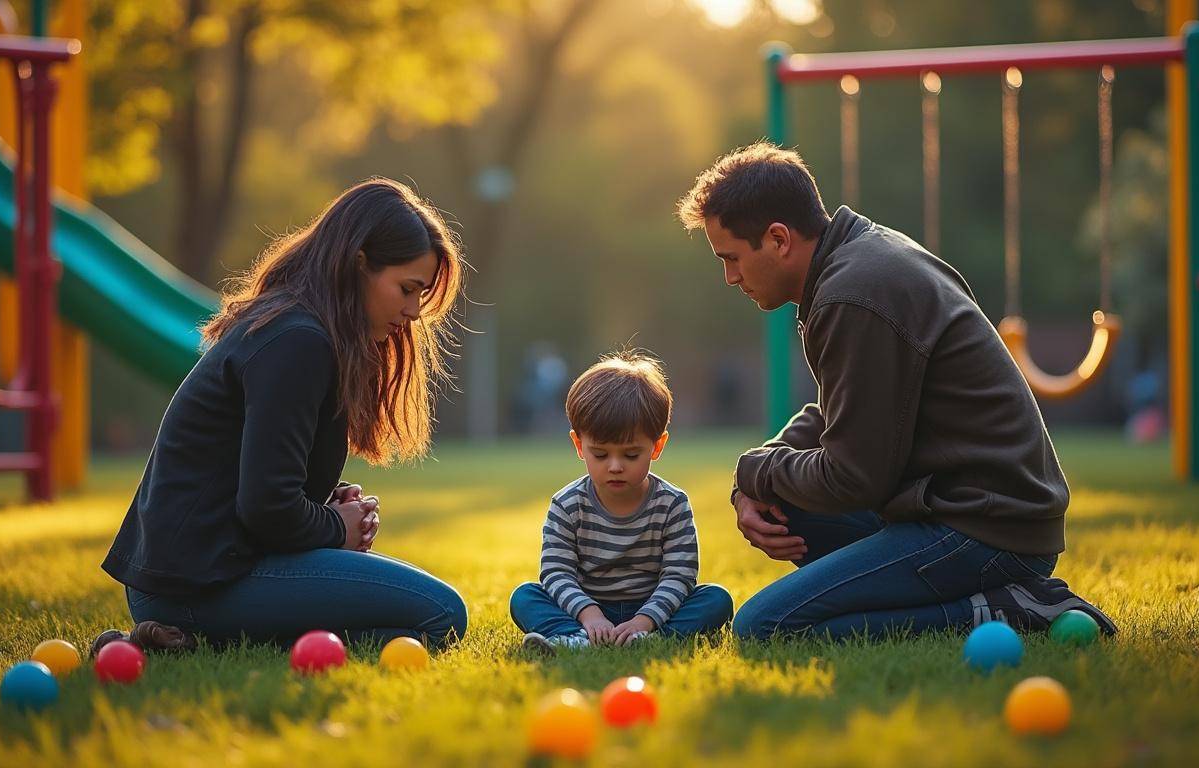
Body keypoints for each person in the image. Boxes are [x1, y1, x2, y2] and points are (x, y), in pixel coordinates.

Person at [676, 143, 1116, 641]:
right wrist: (752, 480)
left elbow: (851, 478)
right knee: (786, 506)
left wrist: (757, 470)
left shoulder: (853, 293)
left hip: (988, 529)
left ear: (778, 239)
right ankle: (973, 596)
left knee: (765, 626)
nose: (730, 277)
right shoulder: (854, 259)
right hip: (961, 508)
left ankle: (1007, 606)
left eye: (732, 258)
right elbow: (839, 411)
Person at [99, 178, 469, 649]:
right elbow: (267, 509)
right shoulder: (298, 341)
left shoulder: (302, 330)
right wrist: (336, 527)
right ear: (358, 264)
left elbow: (257, 481)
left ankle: (190, 639)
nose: (414, 311)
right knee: (443, 614)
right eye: (407, 289)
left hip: (196, 575)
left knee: (423, 622)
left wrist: (326, 504)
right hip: (193, 586)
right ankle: (195, 634)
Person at [509, 351, 734, 653]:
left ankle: (651, 639)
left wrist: (644, 620)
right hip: (585, 609)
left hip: (653, 609)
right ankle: (576, 637)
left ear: (657, 446)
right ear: (579, 445)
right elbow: (557, 572)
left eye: (631, 455)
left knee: (716, 600)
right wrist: (590, 615)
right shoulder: (567, 505)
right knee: (525, 597)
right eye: (600, 454)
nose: (615, 466)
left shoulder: (672, 504)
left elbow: (679, 575)